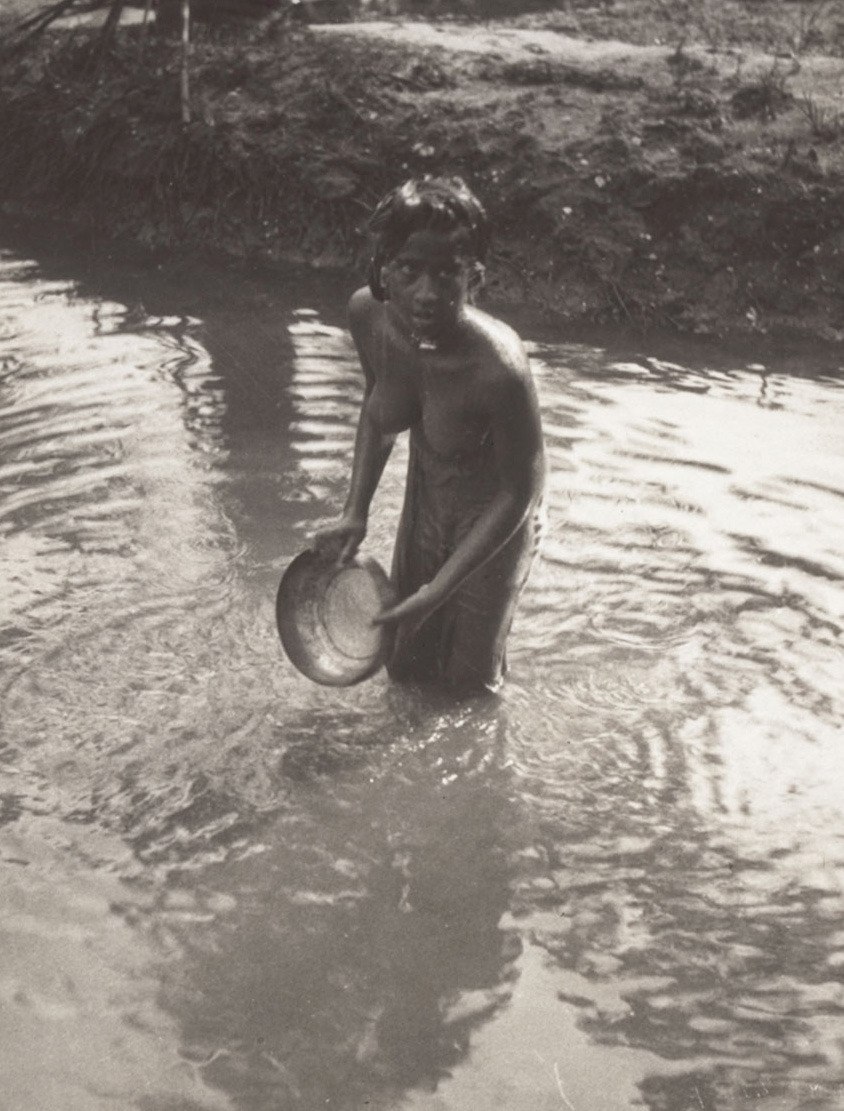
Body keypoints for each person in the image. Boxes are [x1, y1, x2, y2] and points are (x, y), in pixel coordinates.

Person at [313, 176, 545, 693]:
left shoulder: (498, 366)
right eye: (409, 270)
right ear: (383, 268)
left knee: (470, 686)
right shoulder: (367, 317)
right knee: (403, 664)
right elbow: (378, 417)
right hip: (429, 497)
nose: (426, 293)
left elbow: (521, 490)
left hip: (496, 520)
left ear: (474, 278)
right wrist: (356, 511)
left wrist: (441, 586)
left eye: (447, 274)